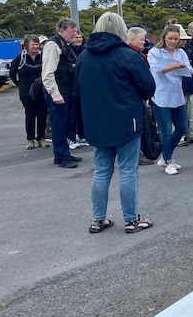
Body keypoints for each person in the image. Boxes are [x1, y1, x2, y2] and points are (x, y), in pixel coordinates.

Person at [75, 12, 156, 234]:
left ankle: (97, 219)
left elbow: (77, 90)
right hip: (125, 120)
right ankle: (131, 219)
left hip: (96, 122)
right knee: (128, 170)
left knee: (102, 170)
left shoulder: (84, 57)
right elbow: (148, 88)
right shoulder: (128, 56)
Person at [148, 23, 193, 175]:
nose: (173, 42)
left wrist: (181, 67)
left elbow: (189, 69)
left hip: (177, 95)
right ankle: (168, 161)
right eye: (170, 39)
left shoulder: (181, 52)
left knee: (182, 128)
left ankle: (166, 155)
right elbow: (158, 69)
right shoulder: (155, 52)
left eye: (176, 39)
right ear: (164, 38)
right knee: (166, 131)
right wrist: (175, 66)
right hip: (161, 97)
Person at [41, 17, 82, 168]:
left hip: (67, 89)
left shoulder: (65, 44)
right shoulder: (53, 45)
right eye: (72, 31)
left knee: (66, 123)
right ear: (61, 31)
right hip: (59, 91)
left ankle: (64, 153)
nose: (75, 34)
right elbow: (47, 73)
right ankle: (61, 156)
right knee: (58, 123)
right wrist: (54, 93)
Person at [9, 34, 48, 150]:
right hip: (26, 92)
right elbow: (12, 73)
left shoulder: (43, 57)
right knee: (30, 115)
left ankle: (41, 138)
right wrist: (20, 85)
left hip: (41, 90)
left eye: (37, 44)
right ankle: (30, 139)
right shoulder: (20, 58)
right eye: (33, 44)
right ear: (26, 46)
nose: (36, 47)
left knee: (42, 115)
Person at [127, 26, 155, 166]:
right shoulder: (131, 55)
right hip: (135, 96)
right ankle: (137, 154)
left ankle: (141, 152)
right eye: (141, 39)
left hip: (140, 95)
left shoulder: (140, 55)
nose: (144, 42)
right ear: (132, 39)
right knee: (137, 126)